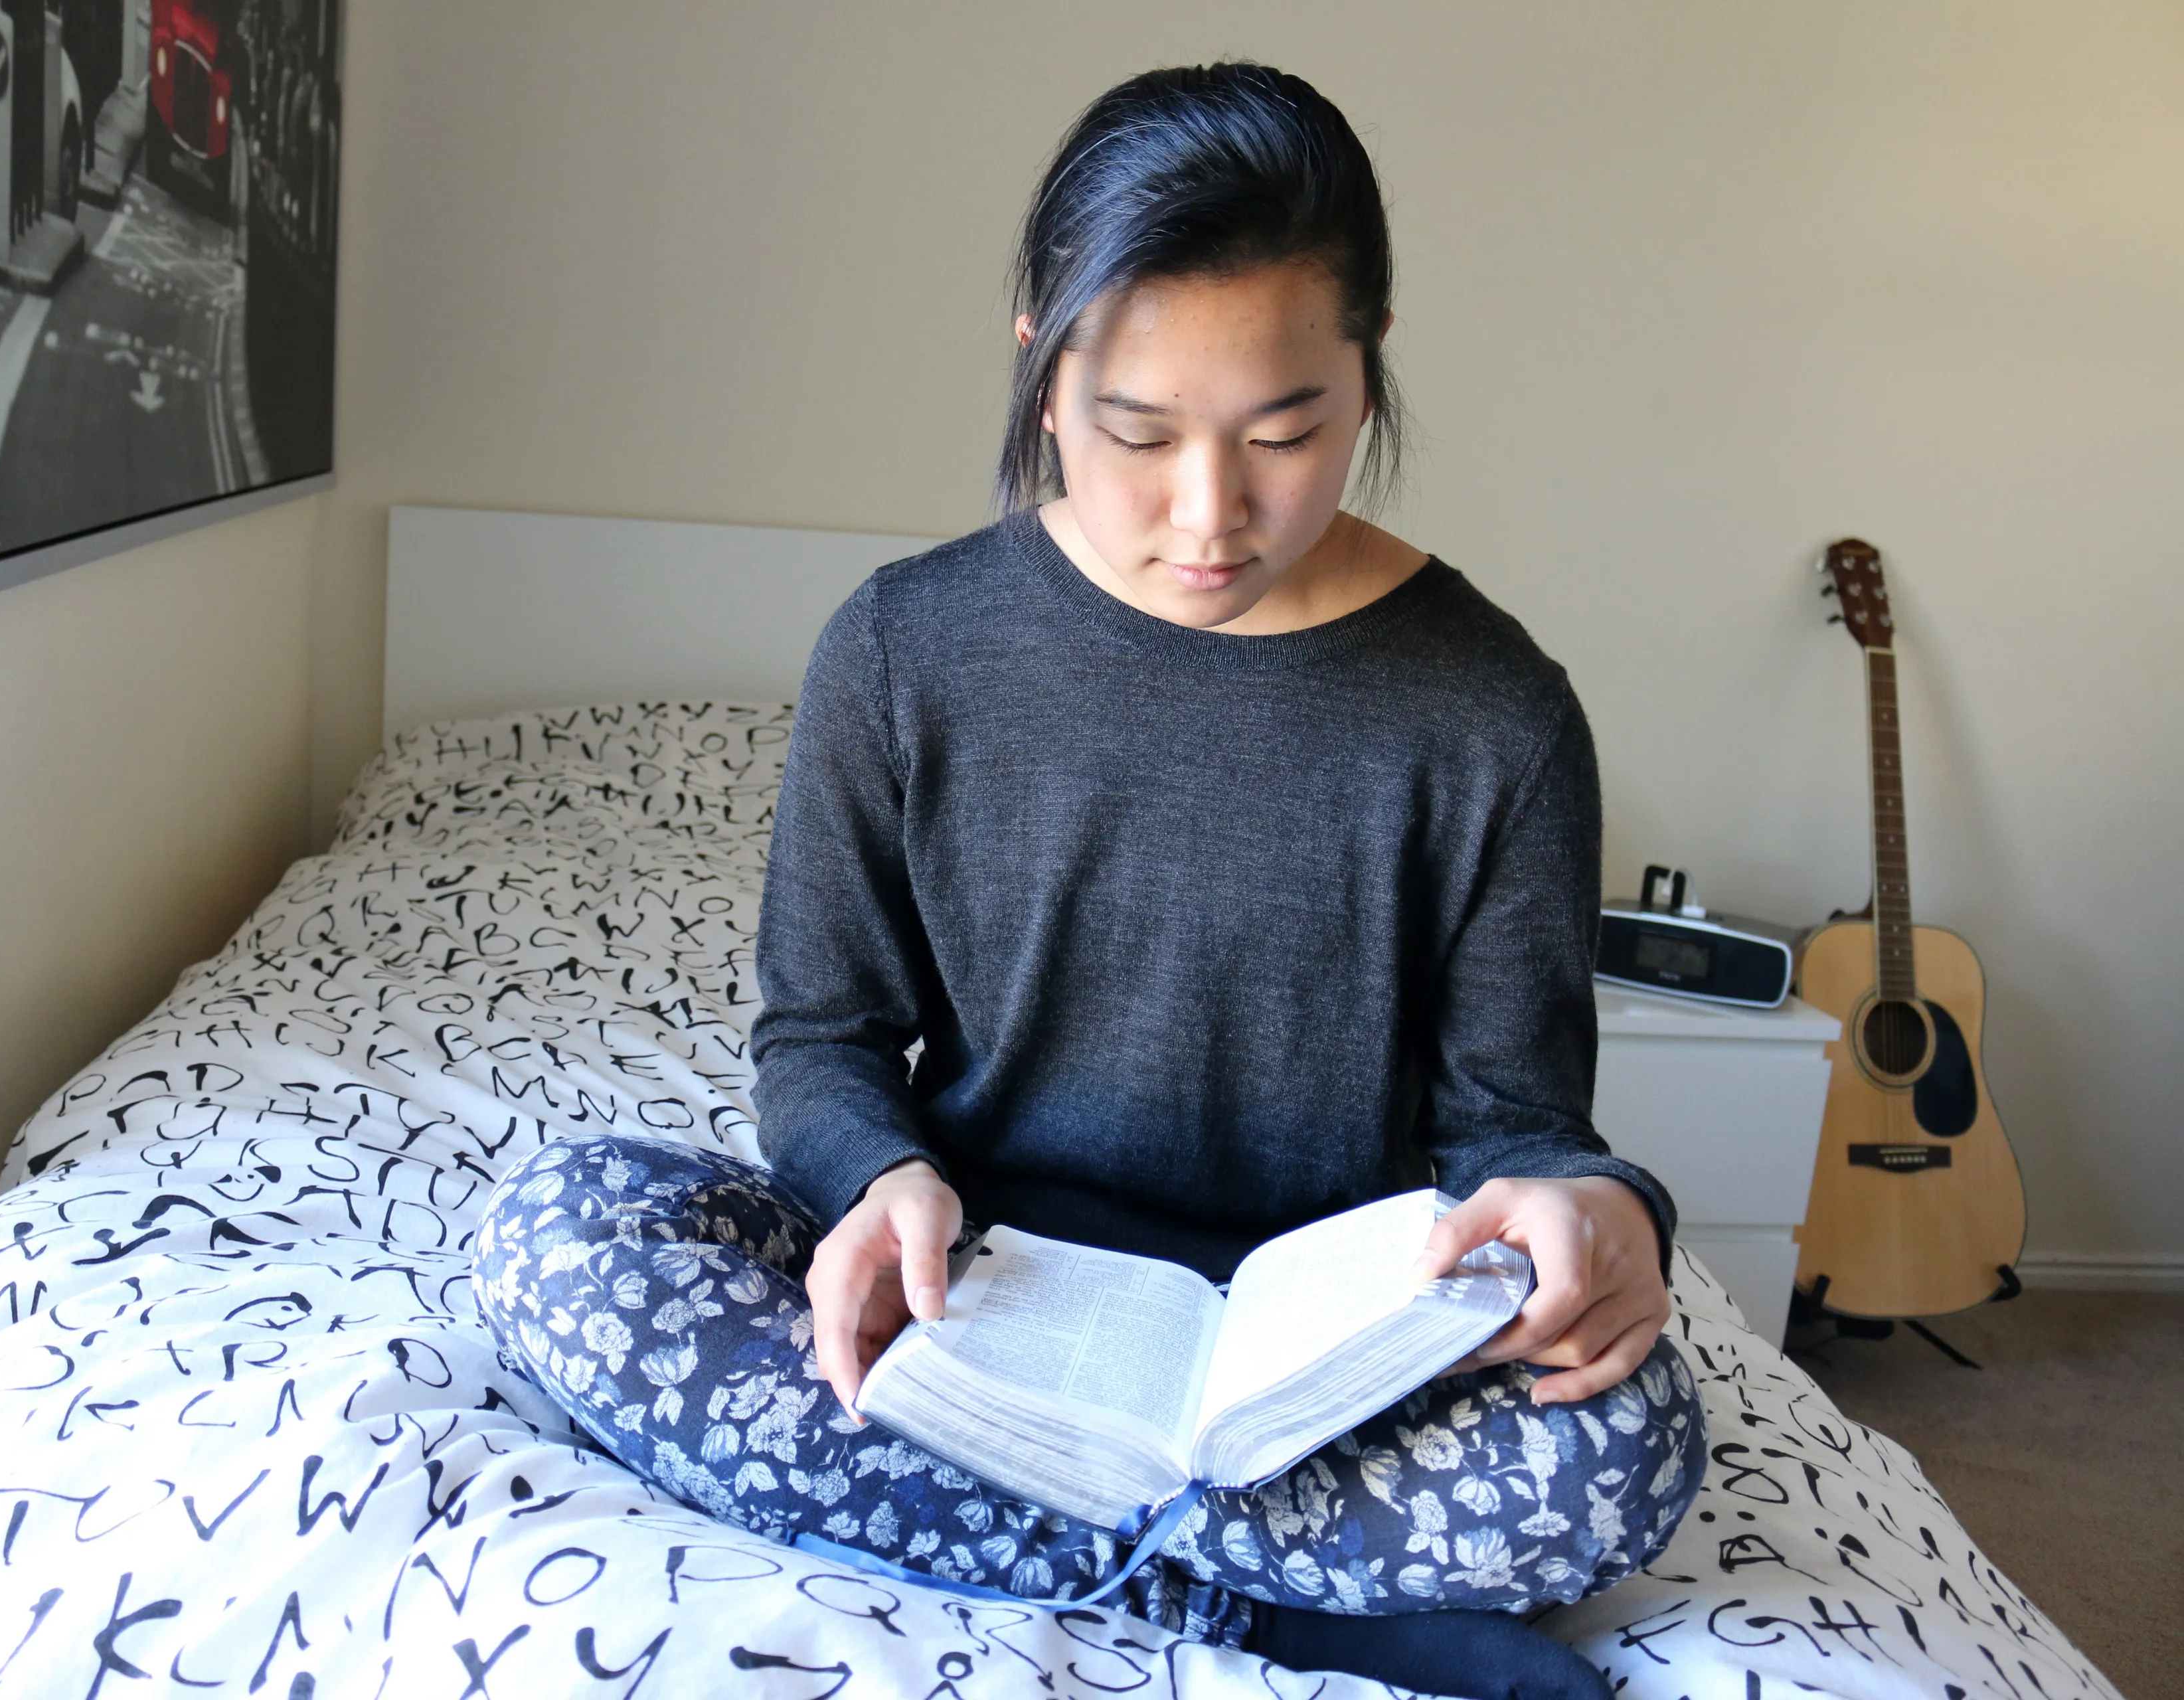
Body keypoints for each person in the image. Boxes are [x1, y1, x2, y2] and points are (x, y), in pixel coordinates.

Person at [476, 62, 1703, 1697]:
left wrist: (1601, 1212)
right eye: (1139, 432)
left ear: (1368, 368)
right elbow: (821, 1040)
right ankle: (1253, 1601)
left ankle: (1053, 1549)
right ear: (1042, 373)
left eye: (1288, 431)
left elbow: (1516, 1128)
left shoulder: (1496, 711)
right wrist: (877, 1182)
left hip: (1324, 1357)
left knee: (1629, 1441)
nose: (1212, 515)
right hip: (980, 1300)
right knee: (562, 1235)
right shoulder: (903, 651)